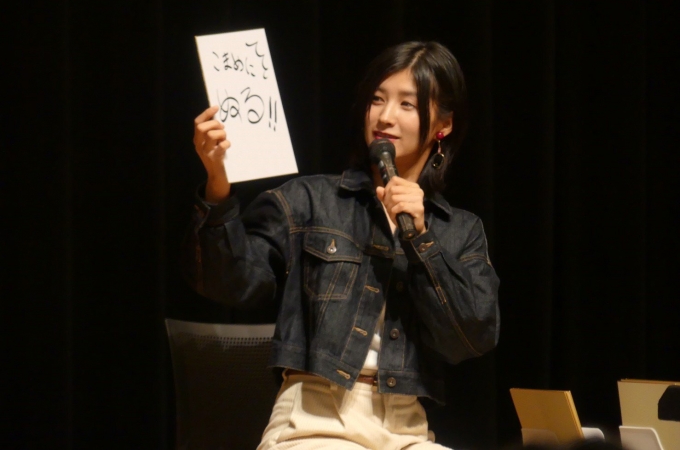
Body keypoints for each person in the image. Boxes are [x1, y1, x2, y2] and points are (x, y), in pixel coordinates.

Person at [185, 41, 500, 450]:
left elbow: (471, 337)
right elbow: (231, 282)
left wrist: (422, 239)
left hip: (406, 428)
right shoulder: (313, 200)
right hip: (313, 421)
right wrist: (217, 186)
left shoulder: (459, 229)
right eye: (377, 99)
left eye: (407, 104)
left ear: (443, 125)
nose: (385, 116)